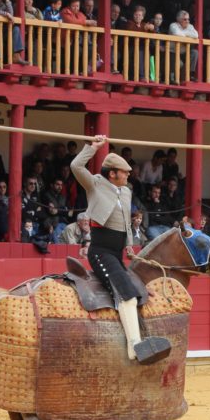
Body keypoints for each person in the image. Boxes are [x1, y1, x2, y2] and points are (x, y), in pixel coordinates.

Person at [71, 135, 171, 365]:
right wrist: (93, 147)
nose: (128, 174)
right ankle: (135, 347)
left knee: (138, 291)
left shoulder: (125, 191)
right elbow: (76, 166)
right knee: (126, 294)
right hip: (100, 251)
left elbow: (126, 220)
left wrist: (128, 245)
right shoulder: (95, 183)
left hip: (116, 252)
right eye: (123, 172)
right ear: (112, 173)